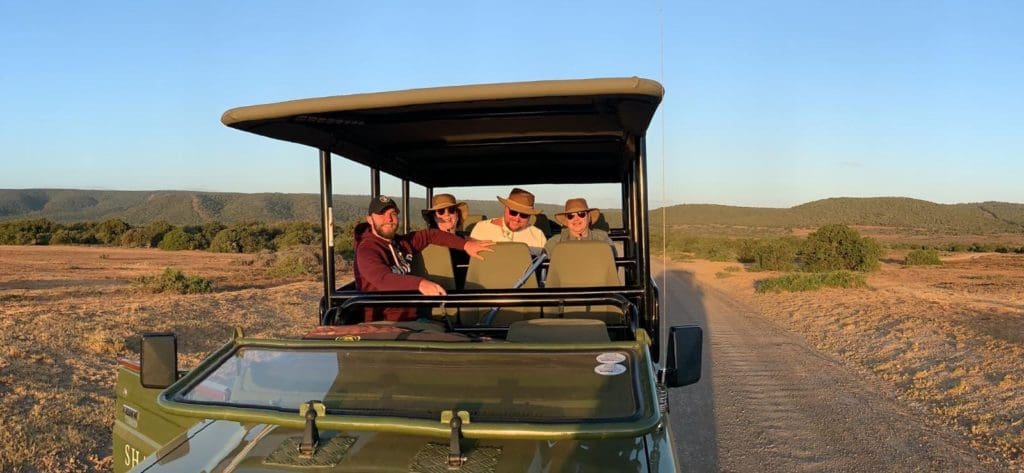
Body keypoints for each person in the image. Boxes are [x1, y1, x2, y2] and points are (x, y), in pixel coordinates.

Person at [354, 195, 493, 322]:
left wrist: (465, 244)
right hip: (383, 323)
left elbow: (430, 235)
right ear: (370, 220)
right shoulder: (367, 249)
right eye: (381, 214)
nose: (389, 219)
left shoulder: (402, 243)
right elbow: (382, 279)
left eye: (393, 214)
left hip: (413, 318)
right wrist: (421, 284)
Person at [469, 188, 547, 256]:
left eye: (524, 215)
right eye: (513, 212)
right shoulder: (482, 228)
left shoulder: (538, 235)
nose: (517, 218)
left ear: (530, 216)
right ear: (506, 208)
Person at [544, 198, 614, 255]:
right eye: (570, 216)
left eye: (581, 214)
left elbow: (611, 268)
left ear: (589, 217)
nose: (576, 219)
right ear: (567, 220)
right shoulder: (553, 243)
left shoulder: (603, 240)